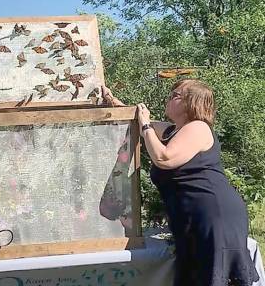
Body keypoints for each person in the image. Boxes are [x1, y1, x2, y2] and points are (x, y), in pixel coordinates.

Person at [102, 80, 259, 286]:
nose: (169, 97)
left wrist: (147, 124)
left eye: (175, 95)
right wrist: (112, 101)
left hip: (213, 214)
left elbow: (164, 158)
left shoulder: (198, 128)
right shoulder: (174, 131)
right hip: (194, 217)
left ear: (191, 103)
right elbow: (138, 122)